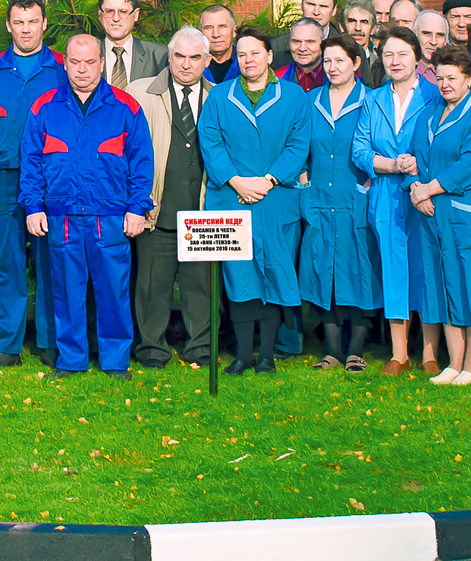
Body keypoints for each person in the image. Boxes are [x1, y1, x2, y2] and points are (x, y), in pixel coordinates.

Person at [23, 35, 154, 377]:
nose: (82, 70)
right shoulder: (44, 107)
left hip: (109, 217)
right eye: (75, 62)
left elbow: (142, 163)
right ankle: (71, 360)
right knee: (66, 292)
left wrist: (137, 208)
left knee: (113, 291)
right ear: (64, 63)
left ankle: (115, 361)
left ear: (101, 63)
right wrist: (33, 206)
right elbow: (31, 161)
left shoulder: (126, 107)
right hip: (62, 217)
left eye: (90, 62)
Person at [0, 0, 67, 370]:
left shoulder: (61, 68)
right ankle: (7, 345)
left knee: (51, 262)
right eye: (18, 23)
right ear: (9, 25)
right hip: (3, 179)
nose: (26, 29)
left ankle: (52, 343)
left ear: (44, 24)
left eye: (33, 22)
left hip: (50, 180)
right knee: (4, 262)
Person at [198, 26, 309, 375]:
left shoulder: (293, 97)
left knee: (276, 273)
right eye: (242, 54)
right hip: (231, 199)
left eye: (255, 53)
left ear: (270, 56)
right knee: (240, 275)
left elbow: (298, 145)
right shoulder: (219, 97)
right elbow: (211, 142)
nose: (248, 60)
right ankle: (244, 354)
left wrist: (268, 180)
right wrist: (236, 181)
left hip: (276, 199)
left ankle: (267, 356)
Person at [408, 45, 471, 385]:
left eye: (453, 78)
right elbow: (414, 158)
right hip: (435, 215)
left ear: (469, 80)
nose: (445, 83)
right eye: (440, 76)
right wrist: (414, 189)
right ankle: (454, 362)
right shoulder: (430, 112)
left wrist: (429, 188)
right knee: (443, 284)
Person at [355, 26, 443, 375]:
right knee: (394, 271)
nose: (394, 61)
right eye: (388, 54)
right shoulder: (373, 100)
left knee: (426, 270)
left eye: (402, 54)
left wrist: (418, 164)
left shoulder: (435, 96)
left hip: (424, 194)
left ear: (417, 58)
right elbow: (360, 150)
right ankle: (399, 353)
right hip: (387, 195)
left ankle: (430, 351)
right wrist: (391, 164)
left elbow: (443, 143)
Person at [131, 28, 215, 369]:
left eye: (195, 58)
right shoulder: (140, 92)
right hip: (158, 206)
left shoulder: (219, 96)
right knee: (152, 284)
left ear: (207, 61)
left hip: (202, 207)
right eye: (179, 56)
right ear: (170, 56)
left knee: (200, 286)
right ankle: (152, 348)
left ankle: (201, 347)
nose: (186, 64)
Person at [300, 34, 376, 371]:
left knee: (359, 270)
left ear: (356, 63)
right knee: (322, 271)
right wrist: (304, 184)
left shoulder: (371, 102)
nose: (332, 67)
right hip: (318, 198)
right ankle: (331, 350)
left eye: (340, 61)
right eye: (327, 61)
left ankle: (356, 350)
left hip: (355, 199)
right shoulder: (310, 102)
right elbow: (298, 148)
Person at [99, 0, 168, 88]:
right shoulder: (86, 56)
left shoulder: (160, 56)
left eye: (123, 12)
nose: (116, 18)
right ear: (100, 15)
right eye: (109, 11)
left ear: (136, 15)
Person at [274, 0, 342, 69]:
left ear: (334, 10)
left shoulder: (350, 49)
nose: (316, 12)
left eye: (323, 6)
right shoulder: (276, 48)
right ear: (301, 6)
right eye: (311, 4)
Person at [343, 0, 386, 87]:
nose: (358, 28)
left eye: (364, 22)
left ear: (373, 29)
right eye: (352, 21)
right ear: (341, 26)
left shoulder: (381, 63)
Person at [280, 18, 328, 91]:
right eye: (296, 42)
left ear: (323, 44)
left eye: (310, 42)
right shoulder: (278, 77)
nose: (302, 48)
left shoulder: (336, 76)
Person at [200, 4, 240, 83]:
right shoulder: (191, 65)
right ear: (200, 32)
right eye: (208, 27)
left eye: (222, 27)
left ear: (234, 31)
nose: (216, 34)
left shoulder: (246, 62)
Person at [413, 11, 449, 82]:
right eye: (427, 34)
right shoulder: (402, 71)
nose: (433, 42)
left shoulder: (456, 74)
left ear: (446, 40)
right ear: (415, 35)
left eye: (440, 35)